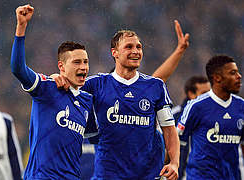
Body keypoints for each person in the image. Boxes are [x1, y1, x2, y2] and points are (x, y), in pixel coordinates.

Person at [55, 20, 190, 179]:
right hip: (108, 175)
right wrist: (55, 76)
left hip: (146, 175)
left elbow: (169, 128)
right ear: (114, 53)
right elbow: (65, 88)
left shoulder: (155, 86)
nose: (136, 51)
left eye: (139, 47)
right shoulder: (96, 84)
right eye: (129, 47)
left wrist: (174, 162)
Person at [11, 5, 97, 179]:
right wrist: (21, 28)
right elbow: (18, 69)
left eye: (86, 62)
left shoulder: (87, 101)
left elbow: (98, 139)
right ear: (61, 66)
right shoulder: (47, 88)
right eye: (77, 62)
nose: (83, 67)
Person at [177, 55, 244, 179]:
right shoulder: (196, 106)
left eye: (238, 72)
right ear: (217, 78)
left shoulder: (243, 107)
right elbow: (176, 140)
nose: (239, 76)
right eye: (233, 73)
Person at [171, 76, 210, 180]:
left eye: (210, 93)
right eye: (204, 94)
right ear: (191, 94)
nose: (208, 97)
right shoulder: (172, 117)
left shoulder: (215, 117)